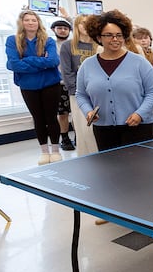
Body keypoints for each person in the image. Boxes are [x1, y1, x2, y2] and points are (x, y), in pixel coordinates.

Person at [76, 9, 153, 151]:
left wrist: (140, 114)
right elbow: (81, 94)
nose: (115, 39)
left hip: (138, 127)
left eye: (119, 35)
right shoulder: (87, 65)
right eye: (109, 35)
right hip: (103, 128)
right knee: (110, 170)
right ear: (98, 37)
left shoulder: (139, 62)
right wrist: (88, 111)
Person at [6, 10, 64, 165]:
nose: (31, 23)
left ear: (38, 23)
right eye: (27, 20)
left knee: (51, 118)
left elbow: (53, 61)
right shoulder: (13, 41)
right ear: (21, 22)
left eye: (34, 20)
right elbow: (12, 64)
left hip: (50, 84)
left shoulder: (48, 40)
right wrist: (39, 61)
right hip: (28, 86)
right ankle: (44, 152)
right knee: (38, 119)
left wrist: (26, 60)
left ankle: (56, 150)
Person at [59, 14, 99, 156]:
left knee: (96, 128)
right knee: (82, 127)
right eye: (82, 23)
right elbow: (67, 71)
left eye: (89, 23)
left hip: (98, 92)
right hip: (78, 93)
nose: (85, 26)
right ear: (76, 25)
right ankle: (85, 155)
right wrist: (77, 91)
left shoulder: (98, 45)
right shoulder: (68, 46)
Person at [50, 18, 76, 151]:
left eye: (65, 28)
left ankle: (78, 135)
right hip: (59, 83)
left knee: (77, 111)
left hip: (75, 81)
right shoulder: (50, 44)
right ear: (53, 30)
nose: (62, 30)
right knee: (63, 113)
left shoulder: (73, 44)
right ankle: (65, 138)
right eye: (59, 28)